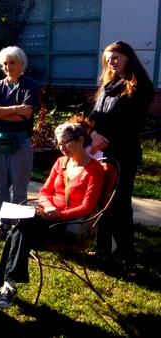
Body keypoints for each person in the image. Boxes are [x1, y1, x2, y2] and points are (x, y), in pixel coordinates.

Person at [0, 122, 105, 309]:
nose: (61, 148)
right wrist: (48, 207)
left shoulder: (95, 170)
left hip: (66, 225)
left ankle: (0, 284)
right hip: (46, 217)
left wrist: (56, 214)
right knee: (20, 230)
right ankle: (7, 286)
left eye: (65, 143)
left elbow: (87, 207)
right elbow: (45, 191)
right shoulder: (61, 163)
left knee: (18, 231)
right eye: (58, 144)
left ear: (80, 140)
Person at [87, 41, 155, 278]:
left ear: (128, 57)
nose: (110, 62)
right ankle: (104, 248)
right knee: (102, 200)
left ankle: (128, 257)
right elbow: (94, 114)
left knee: (120, 204)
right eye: (107, 58)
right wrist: (93, 134)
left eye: (115, 57)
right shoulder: (109, 84)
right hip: (101, 151)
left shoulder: (141, 87)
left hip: (123, 152)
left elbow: (131, 124)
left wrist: (103, 139)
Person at [0, 46, 39, 241]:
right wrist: (15, 109)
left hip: (21, 142)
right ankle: (3, 225)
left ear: (22, 64)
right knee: (0, 188)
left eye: (12, 62)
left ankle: (18, 226)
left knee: (19, 187)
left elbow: (26, 117)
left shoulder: (30, 85)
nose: (8, 66)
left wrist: (2, 113)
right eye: (5, 63)